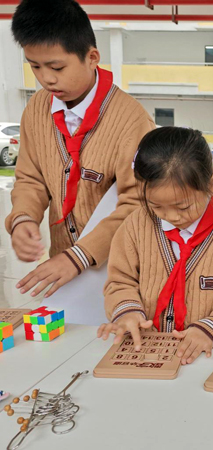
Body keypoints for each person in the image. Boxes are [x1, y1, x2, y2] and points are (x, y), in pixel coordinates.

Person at [6, 0, 154, 298]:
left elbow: (139, 202)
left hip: (122, 270)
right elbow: (31, 179)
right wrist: (23, 217)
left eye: (57, 67)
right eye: (35, 66)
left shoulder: (131, 120)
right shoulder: (36, 109)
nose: (46, 78)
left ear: (92, 57)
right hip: (64, 266)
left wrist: (82, 254)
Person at [98, 127, 213, 365]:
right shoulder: (135, 225)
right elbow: (120, 281)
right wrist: (127, 311)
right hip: (143, 352)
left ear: (212, 183)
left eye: (183, 207)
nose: (171, 216)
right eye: (156, 206)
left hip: (208, 356)